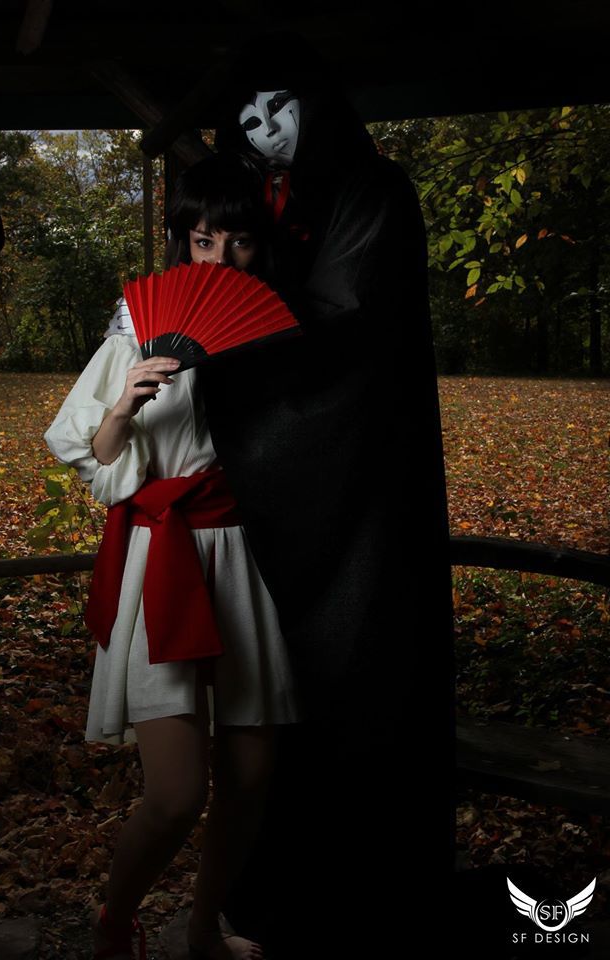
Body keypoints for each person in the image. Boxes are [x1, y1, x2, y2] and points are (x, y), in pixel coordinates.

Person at [191, 32, 456, 960]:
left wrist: (231, 345)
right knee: (279, 690)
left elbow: (344, 323)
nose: (264, 128)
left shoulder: (375, 191)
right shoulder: (255, 200)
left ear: (321, 103)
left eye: (282, 107)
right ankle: (270, 888)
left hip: (362, 475)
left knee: (365, 669)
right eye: (248, 115)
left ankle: (367, 898)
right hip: (278, 494)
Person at [44, 152, 301, 960]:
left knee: (251, 780)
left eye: (239, 242)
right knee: (179, 792)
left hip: (246, 562)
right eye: (202, 241)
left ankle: (200, 930)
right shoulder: (137, 328)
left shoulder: (276, 332)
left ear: (261, 245)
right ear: (182, 241)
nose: (220, 260)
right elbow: (90, 452)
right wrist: (125, 404)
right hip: (167, 558)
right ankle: (115, 922)